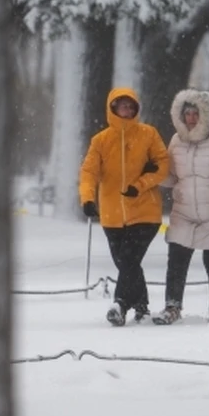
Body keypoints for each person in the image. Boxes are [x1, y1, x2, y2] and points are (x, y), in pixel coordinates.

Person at [79, 87, 170, 326]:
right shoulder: (100, 140)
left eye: (131, 106)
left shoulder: (149, 134)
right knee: (126, 263)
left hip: (145, 211)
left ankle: (120, 304)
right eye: (122, 106)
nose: (127, 110)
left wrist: (140, 184)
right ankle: (142, 305)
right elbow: (89, 172)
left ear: (136, 108)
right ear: (113, 108)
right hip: (112, 214)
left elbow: (163, 165)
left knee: (129, 259)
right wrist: (87, 198)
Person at [152, 88, 209, 325]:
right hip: (184, 212)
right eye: (187, 113)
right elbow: (172, 177)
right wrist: (155, 174)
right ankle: (172, 307)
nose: (191, 118)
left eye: (196, 113)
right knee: (177, 259)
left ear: (206, 115)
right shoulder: (176, 141)